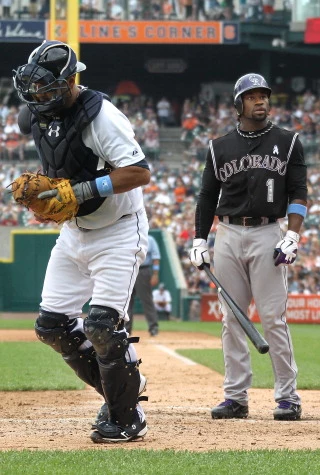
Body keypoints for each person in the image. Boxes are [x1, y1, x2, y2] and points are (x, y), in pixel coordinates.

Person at [12, 40, 151, 443]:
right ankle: (124, 387)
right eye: (33, 89)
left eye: (45, 88)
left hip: (118, 230)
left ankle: (127, 419)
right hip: (74, 232)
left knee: (103, 327)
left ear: (70, 81)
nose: (37, 97)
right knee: (52, 327)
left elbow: (140, 172)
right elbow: (59, 154)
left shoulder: (103, 117)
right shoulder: (38, 113)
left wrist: (83, 190)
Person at [189, 73, 308, 421]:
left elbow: (298, 193)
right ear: (239, 103)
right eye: (253, 96)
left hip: (269, 231)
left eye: (264, 96)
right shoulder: (219, 146)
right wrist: (200, 237)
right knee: (231, 319)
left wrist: (293, 235)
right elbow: (207, 196)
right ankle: (235, 397)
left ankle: (288, 396)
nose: (261, 102)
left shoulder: (288, 142)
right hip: (226, 233)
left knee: (273, 318)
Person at [126, 234, 161, 336]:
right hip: (129, 270)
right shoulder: (129, 237)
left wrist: (155, 274)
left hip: (143, 270)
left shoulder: (150, 239)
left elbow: (156, 258)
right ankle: (126, 329)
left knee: (147, 300)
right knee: (127, 302)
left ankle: (153, 327)